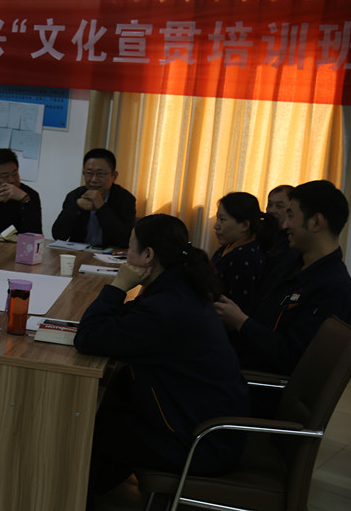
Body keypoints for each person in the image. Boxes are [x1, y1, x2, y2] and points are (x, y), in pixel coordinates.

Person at [74, 214, 249, 503]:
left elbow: (88, 338)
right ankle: (83, 494)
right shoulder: (178, 287)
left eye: (130, 248)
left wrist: (118, 285)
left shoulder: (167, 307)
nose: (126, 256)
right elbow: (124, 321)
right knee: (110, 407)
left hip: (201, 443)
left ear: (148, 255)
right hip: (201, 423)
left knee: (90, 427)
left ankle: (72, 498)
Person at [215, 180, 351, 377]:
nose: (284, 225)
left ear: (316, 222)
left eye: (291, 216)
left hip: (252, 378)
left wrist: (241, 322)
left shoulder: (334, 289)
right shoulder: (290, 265)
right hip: (236, 355)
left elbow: (292, 359)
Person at [51, 148, 136, 248]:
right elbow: (58, 235)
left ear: (114, 176)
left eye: (100, 174)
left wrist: (101, 207)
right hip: (78, 254)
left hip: (109, 255)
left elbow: (124, 241)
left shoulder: (125, 199)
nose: (94, 180)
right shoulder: (75, 196)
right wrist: (76, 207)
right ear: (83, 173)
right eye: (89, 173)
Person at [210, 192, 276, 313]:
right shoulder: (227, 247)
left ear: (245, 225)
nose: (216, 226)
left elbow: (240, 307)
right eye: (217, 218)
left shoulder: (243, 257)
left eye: (222, 220)